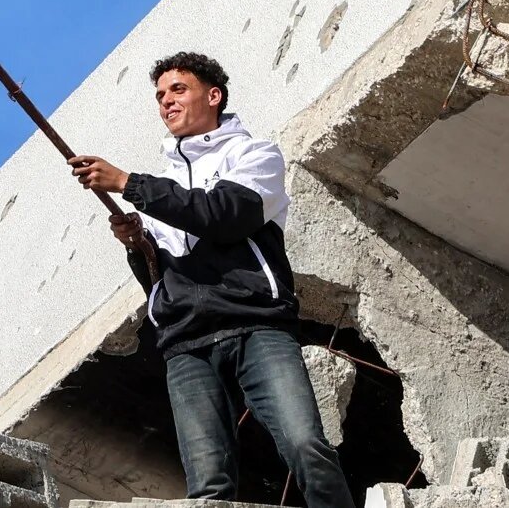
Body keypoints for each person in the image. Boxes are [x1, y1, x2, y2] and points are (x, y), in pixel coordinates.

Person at [68, 52, 355, 508]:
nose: (166, 102)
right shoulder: (162, 185)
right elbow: (160, 282)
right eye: (160, 95)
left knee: (306, 446)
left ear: (214, 95)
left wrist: (129, 183)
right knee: (207, 489)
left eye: (178, 89)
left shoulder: (254, 155)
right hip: (186, 346)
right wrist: (138, 247)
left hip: (258, 325)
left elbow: (226, 217)